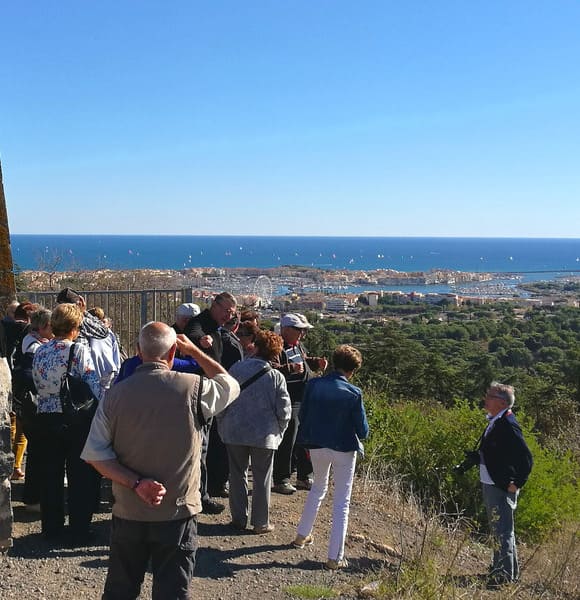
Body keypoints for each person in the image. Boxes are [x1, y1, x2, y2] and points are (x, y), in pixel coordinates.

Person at [81, 321, 240, 600]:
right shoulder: (195, 389)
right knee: (172, 591)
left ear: (137, 352)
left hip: (129, 511)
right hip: (177, 512)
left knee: (120, 590)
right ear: (172, 354)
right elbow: (229, 384)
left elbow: (96, 455)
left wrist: (137, 483)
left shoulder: (114, 396)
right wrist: (195, 353)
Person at [293, 344, 368, 570]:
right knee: (341, 501)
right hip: (343, 447)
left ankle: (302, 535)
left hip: (315, 444)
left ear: (334, 362)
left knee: (318, 488)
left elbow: (304, 415)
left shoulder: (314, 384)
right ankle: (335, 557)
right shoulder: (354, 393)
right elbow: (362, 430)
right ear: (353, 370)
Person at [32, 303, 102, 542]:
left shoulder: (40, 350)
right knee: (79, 474)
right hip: (74, 418)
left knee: (50, 475)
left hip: (45, 416)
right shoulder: (78, 350)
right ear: (75, 326)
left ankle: (51, 527)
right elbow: (92, 384)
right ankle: (79, 529)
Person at [217, 330, 291, 534]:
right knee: (262, 479)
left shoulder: (237, 368)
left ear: (255, 346)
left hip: (234, 430)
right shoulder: (276, 377)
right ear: (275, 353)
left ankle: (238, 519)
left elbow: (223, 398)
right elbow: (284, 410)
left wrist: (222, 424)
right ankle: (261, 523)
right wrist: (279, 432)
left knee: (237, 475)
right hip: (264, 435)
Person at [183, 292, 238, 514]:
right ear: (214, 305)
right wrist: (200, 341)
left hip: (209, 391)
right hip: (200, 393)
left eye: (232, 313)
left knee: (207, 444)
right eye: (226, 310)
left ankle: (204, 490)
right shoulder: (201, 323)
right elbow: (193, 333)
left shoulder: (216, 327)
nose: (228, 315)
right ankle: (201, 496)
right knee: (201, 446)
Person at [476, 383, 533, 587]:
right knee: (500, 529)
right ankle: (504, 571)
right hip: (492, 482)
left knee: (502, 531)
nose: (485, 398)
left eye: (489, 396)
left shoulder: (507, 424)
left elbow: (526, 458)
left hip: (500, 485)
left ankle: (503, 578)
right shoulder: (497, 420)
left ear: (501, 402)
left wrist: (516, 483)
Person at [272, 313, 327, 494]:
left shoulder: (297, 346)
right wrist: (291, 369)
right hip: (289, 399)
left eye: (304, 331)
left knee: (304, 438)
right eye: (299, 330)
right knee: (288, 439)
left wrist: (315, 362)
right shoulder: (277, 347)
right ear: (286, 330)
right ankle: (282, 478)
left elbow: (303, 360)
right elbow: (271, 369)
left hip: (303, 398)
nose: (302, 334)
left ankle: (304, 476)